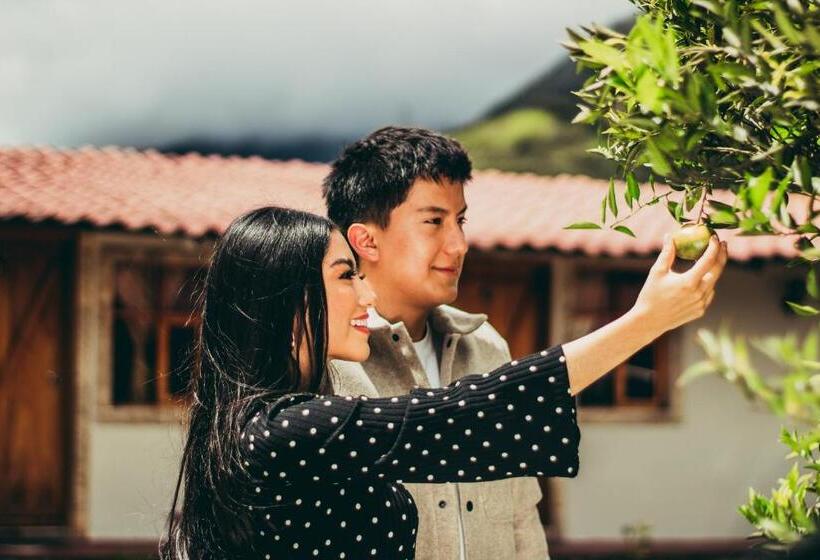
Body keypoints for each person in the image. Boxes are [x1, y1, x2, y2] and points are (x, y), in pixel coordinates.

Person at [161, 206, 727, 560]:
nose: (367, 295)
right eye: (345, 276)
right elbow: (463, 416)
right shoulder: (288, 432)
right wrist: (645, 322)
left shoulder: (272, 421)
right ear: (287, 299)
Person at [321, 126, 548, 559]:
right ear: (365, 240)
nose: (459, 245)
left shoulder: (489, 348)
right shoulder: (328, 366)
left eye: (459, 220)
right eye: (434, 222)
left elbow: (522, 512)